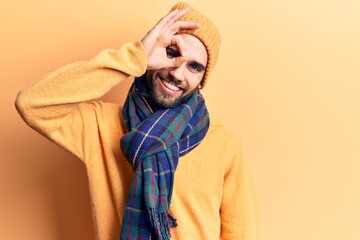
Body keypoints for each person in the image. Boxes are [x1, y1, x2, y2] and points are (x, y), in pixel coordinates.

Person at [15, 2, 258, 240]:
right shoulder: (100, 125)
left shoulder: (224, 140)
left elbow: (242, 233)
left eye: (194, 67)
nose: (177, 72)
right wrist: (134, 57)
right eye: (171, 54)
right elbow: (32, 104)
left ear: (202, 80)